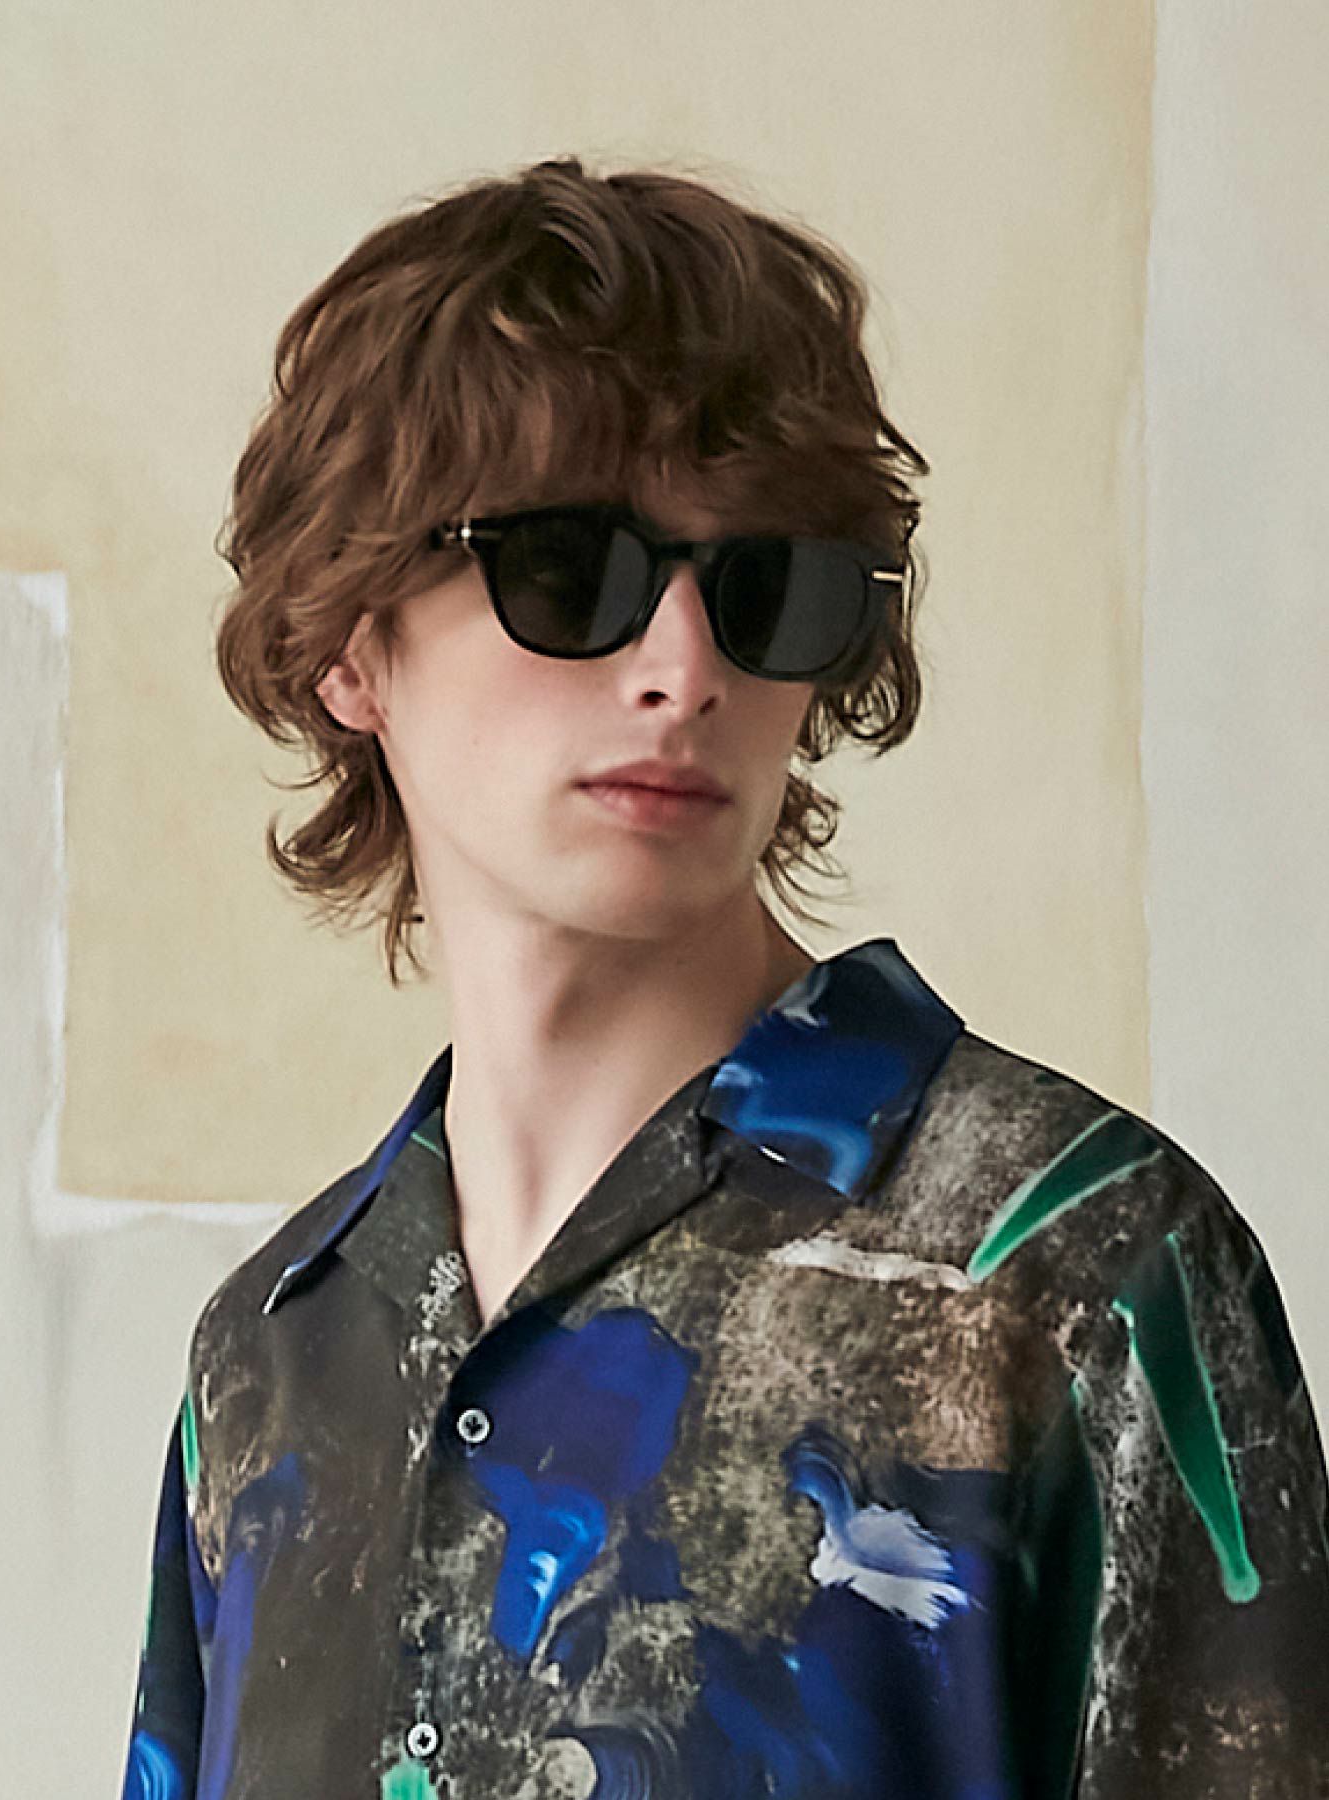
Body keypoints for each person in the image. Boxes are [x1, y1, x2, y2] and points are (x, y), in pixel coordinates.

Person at [119, 156, 1329, 1799]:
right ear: (348, 640)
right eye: (571, 570)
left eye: (767, 588)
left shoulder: (1075, 1273)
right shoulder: (270, 1360)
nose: (685, 670)